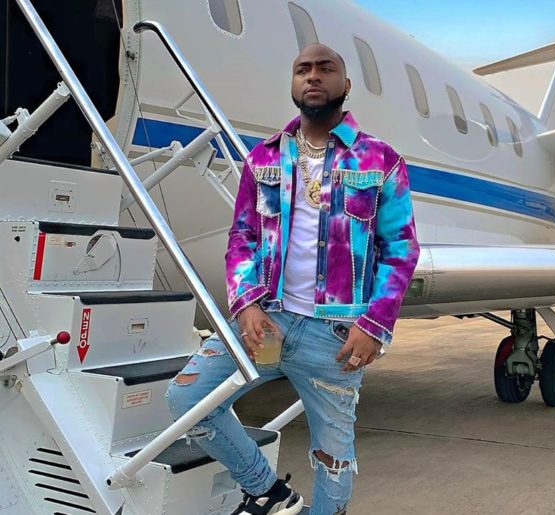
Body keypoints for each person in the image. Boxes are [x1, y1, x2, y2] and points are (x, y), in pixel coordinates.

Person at [166, 43, 420, 515]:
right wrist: (246, 303)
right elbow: (242, 237)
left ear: (346, 84)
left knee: (333, 457)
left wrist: (374, 325)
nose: (313, 76)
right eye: (303, 69)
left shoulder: (379, 161)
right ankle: (267, 491)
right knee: (187, 399)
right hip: (268, 323)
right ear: (293, 83)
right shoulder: (263, 158)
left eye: (326, 68)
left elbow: (401, 250)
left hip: (335, 335)